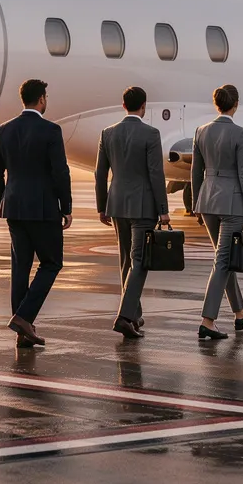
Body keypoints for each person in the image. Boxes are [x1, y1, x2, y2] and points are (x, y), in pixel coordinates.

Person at [0, 79, 73, 349]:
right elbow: (60, 172)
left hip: (13, 207)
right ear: (42, 99)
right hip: (44, 208)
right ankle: (24, 317)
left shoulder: (4, 129)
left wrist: (3, 199)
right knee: (51, 263)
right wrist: (66, 207)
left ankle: (22, 332)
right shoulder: (51, 130)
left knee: (20, 266)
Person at [95, 86, 169, 339]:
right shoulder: (151, 134)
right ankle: (124, 317)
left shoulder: (108, 133)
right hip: (143, 206)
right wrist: (163, 210)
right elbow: (156, 174)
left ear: (123, 105)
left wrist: (102, 206)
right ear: (144, 106)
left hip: (116, 205)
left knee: (126, 260)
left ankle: (134, 315)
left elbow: (100, 174)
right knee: (140, 262)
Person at [190, 84, 243, 340]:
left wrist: (197, 204)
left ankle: (239, 313)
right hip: (233, 205)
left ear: (216, 104)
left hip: (208, 202)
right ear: (236, 104)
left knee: (224, 257)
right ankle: (207, 321)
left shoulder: (201, 132)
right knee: (223, 261)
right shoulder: (241, 134)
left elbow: (195, 172)